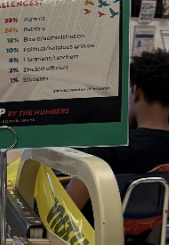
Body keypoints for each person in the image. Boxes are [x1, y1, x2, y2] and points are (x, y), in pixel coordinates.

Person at [66, 50, 169, 213]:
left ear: (136, 92)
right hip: (149, 236)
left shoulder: (105, 151)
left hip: (95, 238)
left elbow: (66, 213)